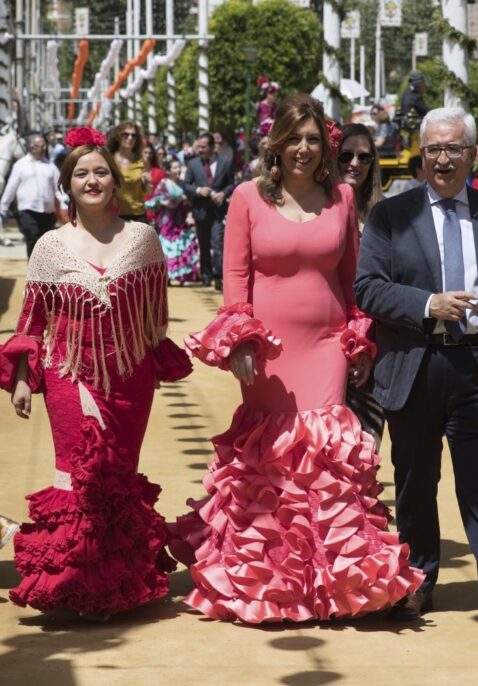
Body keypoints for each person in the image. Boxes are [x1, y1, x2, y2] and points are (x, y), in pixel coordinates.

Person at [169, 94, 423, 623]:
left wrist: (359, 341)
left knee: (326, 448)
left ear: (323, 146)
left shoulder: (343, 198)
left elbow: (352, 279)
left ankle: (334, 583)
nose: (303, 149)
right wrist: (239, 339)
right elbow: (235, 276)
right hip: (269, 350)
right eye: (294, 138)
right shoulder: (246, 197)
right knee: (273, 452)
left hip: (327, 342)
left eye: (312, 139)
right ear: (276, 144)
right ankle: (269, 581)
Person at [355, 107, 478, 642]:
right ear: (421, 154)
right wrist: (427, 302)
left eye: (453, 149)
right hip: (415, 364)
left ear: (472, 155)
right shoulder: (392, 213)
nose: (442, 158)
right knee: (416, 483)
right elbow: (367, 287)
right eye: (433, 149)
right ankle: (418, 580)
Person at [0, 126, 192, 620]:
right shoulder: (49, 247)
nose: (92, 180)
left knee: (118, 475)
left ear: (114, 181)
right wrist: (23, 376)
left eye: (100, 172)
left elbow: (156, 315)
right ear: (68, 184)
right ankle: (74, 581)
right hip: (67, 376)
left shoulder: (144, 240)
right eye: (81, 173)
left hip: (131, 377)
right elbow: (31, 321)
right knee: (78, 472)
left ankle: (115, 585)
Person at [336, 123, 386, 450]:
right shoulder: (314, 211)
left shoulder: (385, 216)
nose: (355, 163)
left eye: (364, 157)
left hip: (373, 351)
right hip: (324, 345)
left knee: (364, 452)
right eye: (347, 156)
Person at [182, 132, 235, 288]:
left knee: (217, 243)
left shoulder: (225, 162)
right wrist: (198, 190)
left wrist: (223, 193)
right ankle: (206, 276)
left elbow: (231, 184)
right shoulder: (193, 164)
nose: (200, 149)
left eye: (203, 147)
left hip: (218, 211)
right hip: (201, 211)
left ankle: (219, 276)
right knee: (204, 245)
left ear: (212, 147)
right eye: (198, 146)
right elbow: (186, 185)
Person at [0, 134, 60, 257]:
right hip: (27, 210)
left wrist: (65, 202)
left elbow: (59, 187)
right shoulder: (20, 165)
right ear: (31, 147)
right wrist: (4, 206)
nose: (43, 148)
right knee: (32, 236)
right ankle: (33, 270)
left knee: (46, 242)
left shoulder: (51, 166)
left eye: (44, 145)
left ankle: (45, 271)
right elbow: (11, 187)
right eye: (40, 146)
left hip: (47, 211)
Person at [147, 156, 200, 285]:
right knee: (167, 248)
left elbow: (190, 200)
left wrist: (187, 203)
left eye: (179, 167)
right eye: (175, 167)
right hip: (167, 222)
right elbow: (153, 201)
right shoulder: (164, 183)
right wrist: (164, 202)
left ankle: (183, 276)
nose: (178, 170)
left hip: (181, 220)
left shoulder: (184, 184)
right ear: (169, 171)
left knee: (183, 246)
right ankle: (167, 276)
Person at [107, 120, 152, 222]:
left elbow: (148, 191)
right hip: (115, 215)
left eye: (133, 135)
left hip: (138, 214)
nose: (130, 138)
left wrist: (147, 182)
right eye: (126, 135)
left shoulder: (141, 160)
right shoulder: (110, 160)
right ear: (118, 136)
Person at [142, 142, 166, 226]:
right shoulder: (134, 171)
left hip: (154, 212)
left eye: (150, 153)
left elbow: (163, 193)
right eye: (145, 152)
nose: (148, 155)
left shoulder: (159, 172)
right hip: (137, 210)